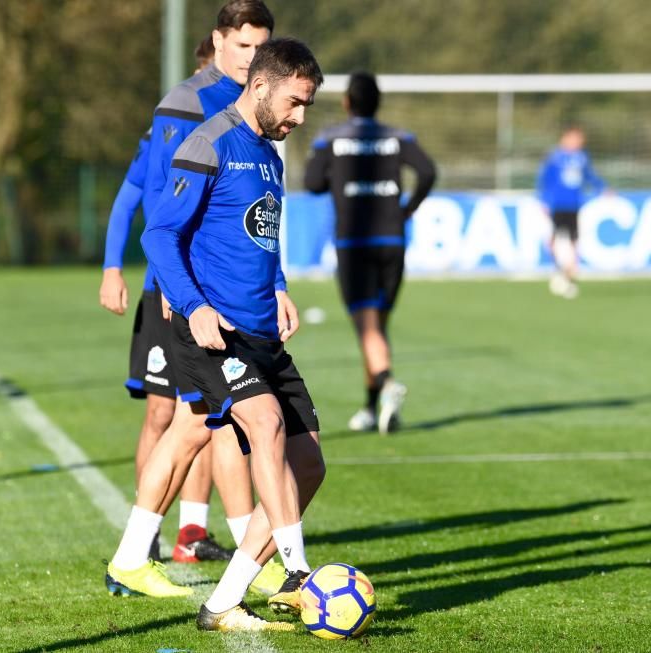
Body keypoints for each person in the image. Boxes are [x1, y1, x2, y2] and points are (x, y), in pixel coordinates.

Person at [141, 37, 326, 632]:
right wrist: (192, 305)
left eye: (307, 106)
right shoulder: (208, 142)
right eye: (296, 102)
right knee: (265, 426)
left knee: (310, 464)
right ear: (263, 85)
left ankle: (222, 602)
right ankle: (298, 574)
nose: (300, 117)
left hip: (262, 331)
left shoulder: (270, 154)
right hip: (212, 331)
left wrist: (278, 284)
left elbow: (262, 232)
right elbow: (160, 235)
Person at [101, 0, 284, 599]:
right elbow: (159, 201)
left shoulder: (256, 113)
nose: (253, 59)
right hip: (188, 297)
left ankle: (153, 550)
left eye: (262, 47)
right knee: (212, 422)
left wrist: (276, 284)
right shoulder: (186, 105)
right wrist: (172, 290)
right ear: (218, 41)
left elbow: (256, 219)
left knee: (203, 425)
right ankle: (257, 557)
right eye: (243, 46)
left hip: (225, 297)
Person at [303, 71, 436, 435]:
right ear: (378, 104)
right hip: (392, 241)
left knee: (367, 325)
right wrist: (407, 208)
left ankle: (388, 383)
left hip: (354, 242)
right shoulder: (397, 136)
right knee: (376, 327)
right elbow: (427, 171)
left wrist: (340, 179)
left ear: (347, 103)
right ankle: (370, 407)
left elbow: (312, 184)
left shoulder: (330, 137)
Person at [536, 124, 606, 299]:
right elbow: (545, 179)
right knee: (554, 239)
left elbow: (589, 176)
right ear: (565, 138)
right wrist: (544, 201)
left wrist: (602, 188)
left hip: (574, 205)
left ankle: (568, 272)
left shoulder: (582, 157)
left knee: (574, 239)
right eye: (576, 138)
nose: (579, 142)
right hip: (557, 205)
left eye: (580, 139)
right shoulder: (555, 157)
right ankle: (558, 268)